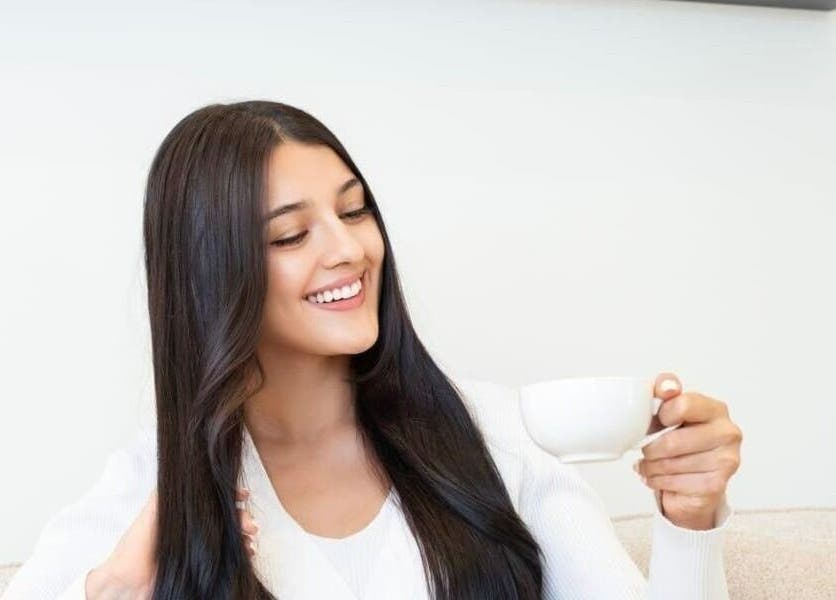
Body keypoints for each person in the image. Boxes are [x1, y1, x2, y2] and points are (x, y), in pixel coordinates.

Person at [3, 101, 743, 600]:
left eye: (354, 210)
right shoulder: (149, 489)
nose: (350, 249)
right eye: (291, 235)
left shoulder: (495, 433)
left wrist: (689, 522)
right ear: (209, 274)